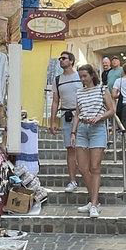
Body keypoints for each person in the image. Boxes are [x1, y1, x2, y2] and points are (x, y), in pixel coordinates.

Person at [70, 64, 116, 217]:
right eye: (80, 76)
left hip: (98, 129)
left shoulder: (102, 89)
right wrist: (73, 132)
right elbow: (77, 113)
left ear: (91, 75)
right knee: (83, 168)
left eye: (85, 76)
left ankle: (94, 204)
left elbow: (112, 109)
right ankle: (93, 201)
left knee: (95, 167)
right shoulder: (79, 92)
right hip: (83, 128)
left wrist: (99, 118)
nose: (82, 79)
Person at [48, 50, 83, 192]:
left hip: (82, 116)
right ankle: (72, 180)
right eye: (60, 58)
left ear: (72, 61)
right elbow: (55, 101)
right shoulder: (57, 79)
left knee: (84, 148)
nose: (61, 60)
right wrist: (52, 121)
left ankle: (88, 177)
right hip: (66, 116)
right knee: (70, 149)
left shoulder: (80, 76)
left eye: (64, 58)